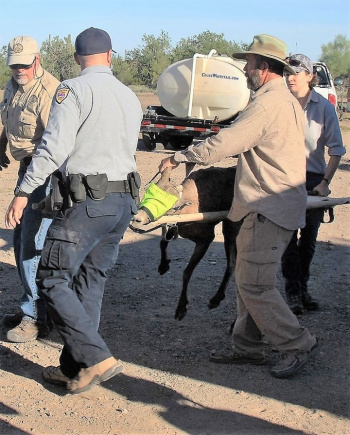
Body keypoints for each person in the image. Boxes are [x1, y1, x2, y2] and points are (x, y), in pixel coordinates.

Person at [158, 34, 319, 379]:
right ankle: (248, 348)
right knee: (249, 279)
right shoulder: (285, 100)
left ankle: (298, 343)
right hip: (266, 206)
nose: (245, 70)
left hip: (268, 207)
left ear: (263, 67)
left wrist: (180, 156)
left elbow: (226, 143)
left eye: (248, 64)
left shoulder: (267, 105)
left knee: (256, 286)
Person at [5, 27, 143, 394]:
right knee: (89, 283)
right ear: (110, 56)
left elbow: (52, 148)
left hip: (88, 203)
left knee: (51, 276)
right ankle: (74, 368)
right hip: (123, 201)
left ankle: (97, 356)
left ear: (77, 58)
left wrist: (23, 192)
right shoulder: (130, 95)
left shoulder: (72, 90)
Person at [0, 36, 60, 342]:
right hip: (27, 169)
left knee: (29, 244)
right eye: (14, 65)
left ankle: (35, 316)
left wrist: (25, 192)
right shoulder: (14, 83)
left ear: (37, 60)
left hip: (43, 174)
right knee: (21, 239)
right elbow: (7, 113)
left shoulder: (50, 91)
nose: (19, 69)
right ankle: (33, 308)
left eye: (24, 64)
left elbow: (55, 144)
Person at [281, 54, 346, 315]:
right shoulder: (279, 104)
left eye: (297, 72)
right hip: (283, 181)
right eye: (287, 72)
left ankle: (303, 287)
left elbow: (337, 150)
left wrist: (324, 183)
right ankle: (293, 292)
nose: (291, 77)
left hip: (312, 182)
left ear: (310, 76)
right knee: (287, 239)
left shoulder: (324, 108)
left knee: (308, 239)